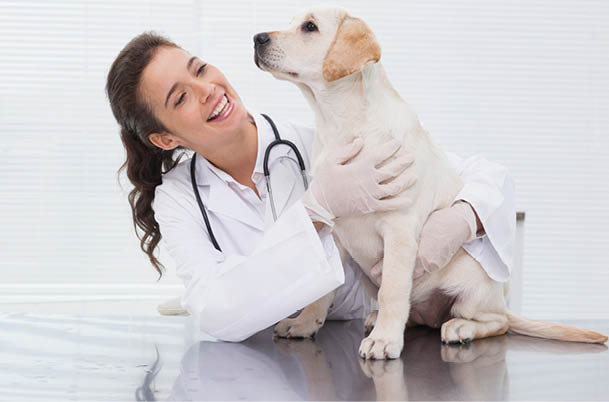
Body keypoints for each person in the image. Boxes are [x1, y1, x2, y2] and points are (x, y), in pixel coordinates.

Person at [106, 32, 516, 342]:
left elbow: (481, 173)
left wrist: (465, 217)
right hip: (280, 362)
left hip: (376, 339)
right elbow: (215, 311)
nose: (207, 89)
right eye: (180, 98)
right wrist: (315, 210)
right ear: (165, 140)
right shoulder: (178, 199)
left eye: (199, 69)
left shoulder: (321, 142)